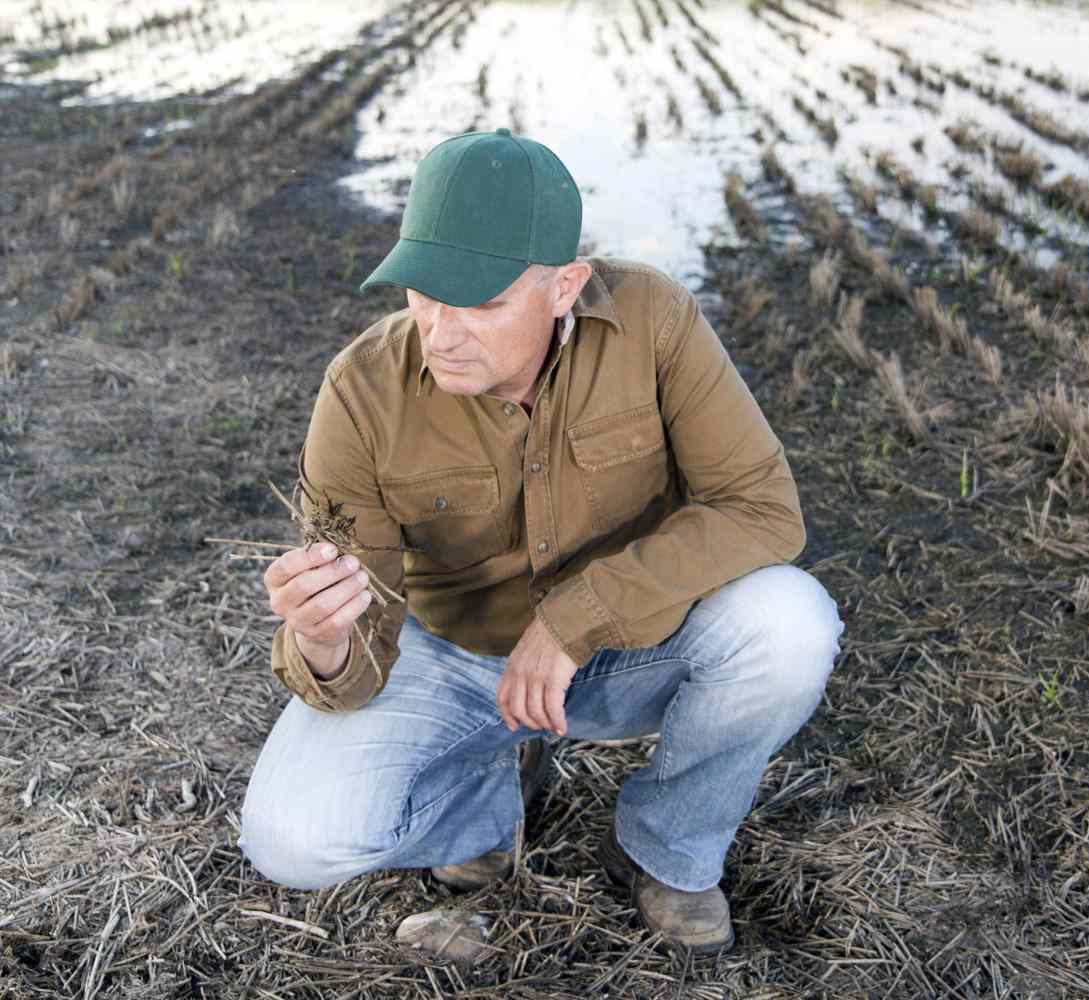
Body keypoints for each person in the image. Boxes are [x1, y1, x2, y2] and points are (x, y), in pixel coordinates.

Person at [236, 127, 844, 957]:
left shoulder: (654, 320)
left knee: (791, 624)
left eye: (481, 302)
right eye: (423, 292)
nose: (440, 332)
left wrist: (575, 619)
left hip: (630, 646)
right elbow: (360, 651)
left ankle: (664, 850)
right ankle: (480, 809)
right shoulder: (360, 389)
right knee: (290, 840)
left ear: (565, 286)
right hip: (455, 660)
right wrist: (324, 639)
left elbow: (764, 508)